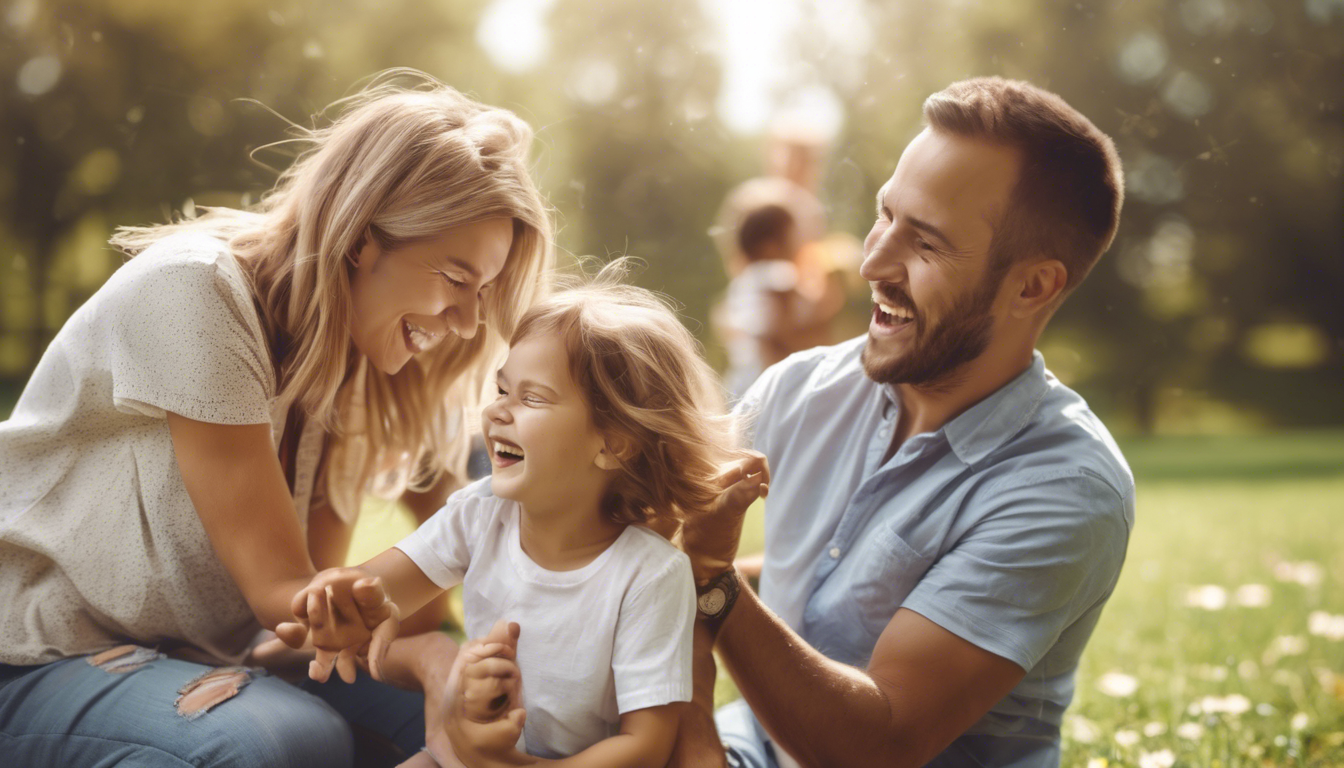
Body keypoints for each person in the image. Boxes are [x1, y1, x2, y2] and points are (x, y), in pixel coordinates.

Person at [0, 70, 553, 768]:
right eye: (455, 279)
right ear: (363, 238)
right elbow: (282, 594)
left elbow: (315, 625)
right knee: (286, 740)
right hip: (33, 656)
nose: (471, 322)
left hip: (188, 659)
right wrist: (419, 633)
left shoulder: (350, 365)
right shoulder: (195, 292)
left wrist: (436, 663)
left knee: (508, 724)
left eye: (485, 292)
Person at [676, 75, 1135, 768]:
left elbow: (876, 747)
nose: (872, 262)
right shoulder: (806, 387)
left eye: (925, 245)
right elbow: (690, 524)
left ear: (1033, 285)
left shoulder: (1066, 489)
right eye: (885, 215)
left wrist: (711, 581)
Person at [284, 262, 763, 768]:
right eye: (501, 391)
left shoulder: (649, 576)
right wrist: (339, 604)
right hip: (466, 755)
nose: (497, 413)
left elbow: (644, 746)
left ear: (613, 445)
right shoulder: (480, 514)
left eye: (532, 398)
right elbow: (376, 592)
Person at [714, 202, 843, 400]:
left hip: (742, 386)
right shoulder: (776, 274)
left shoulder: (744, 281)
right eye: (794, 236)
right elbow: (785, 331)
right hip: (772, 389)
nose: (801, 244)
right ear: (769, 247)